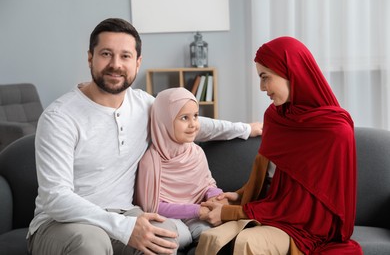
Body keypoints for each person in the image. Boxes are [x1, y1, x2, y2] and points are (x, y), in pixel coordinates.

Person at [26, 17, 263, 255]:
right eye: (106, 54)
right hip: (62, 223)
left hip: (123, 213)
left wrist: (245, 129)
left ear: (137, 63)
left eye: (125, 56)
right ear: (90, 57)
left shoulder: (143, 105)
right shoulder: (59, 117)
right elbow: (56, 197)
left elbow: (187, 123)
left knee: (170, 237)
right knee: (91, 243)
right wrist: (125, 228)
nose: (115, 64)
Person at [196, 36, 363, 254]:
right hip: (268, 211)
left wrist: (230, 212)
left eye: (265, 77)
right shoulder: (275, 117)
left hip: (302, 226)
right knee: (210, 238)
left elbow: (303, 207)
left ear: (290, 72)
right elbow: (272, 179)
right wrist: (237, 195)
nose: (262, 87)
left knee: (248, 243)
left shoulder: (334, 130)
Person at [135, 87, 228, 251]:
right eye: (184, 118)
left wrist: (215, 197)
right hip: (170, 218)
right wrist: (196, 210)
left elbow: (207, 184)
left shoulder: (196, 152)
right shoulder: (150, 161)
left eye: (196, 116)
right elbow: (152, 206)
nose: (193, 124)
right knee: (173, 237)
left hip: (199, 213)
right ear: (165, 121)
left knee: (213, 234)